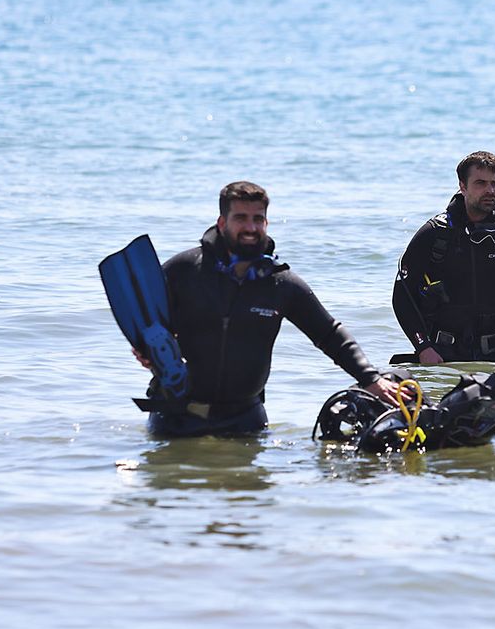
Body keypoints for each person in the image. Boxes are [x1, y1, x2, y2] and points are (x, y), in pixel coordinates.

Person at [136, 181, 399, 438]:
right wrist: (144, 349)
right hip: (175, 419)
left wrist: (370, 379)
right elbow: (145, 320)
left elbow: (329, 334)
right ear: (222, 222)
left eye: (258, 219)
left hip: (244, 421)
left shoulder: (280, 283)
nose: (250, 227)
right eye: (241, 218)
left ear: (266, 223)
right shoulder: (184, 270)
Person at [393, 151, 495, 364]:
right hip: (442, 355)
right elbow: (402, 297)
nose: (490, 190)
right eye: (480, 183)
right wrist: (423, 347)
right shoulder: (435, 234)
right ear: (462, 186)